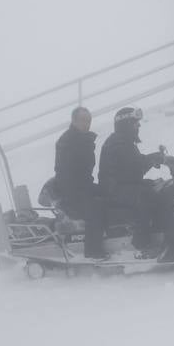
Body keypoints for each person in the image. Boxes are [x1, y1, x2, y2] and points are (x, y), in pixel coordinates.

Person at [98, 106, 174, 255]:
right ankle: (142, 243)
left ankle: (162, 232)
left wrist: (156, 159)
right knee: (145, 196)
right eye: (135, 123)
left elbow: (134, 164)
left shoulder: (125, 142)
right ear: (126, 124)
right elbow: (134, 167)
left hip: (123, 184)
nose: (138, 126)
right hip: (114, 189)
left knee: (162, 187)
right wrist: (157, 158)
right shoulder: (117, 143)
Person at [53, 106, 107, 259]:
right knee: (95, 208)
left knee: (110, 194)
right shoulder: (68, 142)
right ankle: (93, 251)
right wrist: (87, 192)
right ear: (74, 121)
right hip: (71, 192)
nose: (87, 124)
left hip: (84, 187)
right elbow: (67, 173)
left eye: (89, 121)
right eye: (83, 120)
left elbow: (84, 173)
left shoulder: (83, 139)